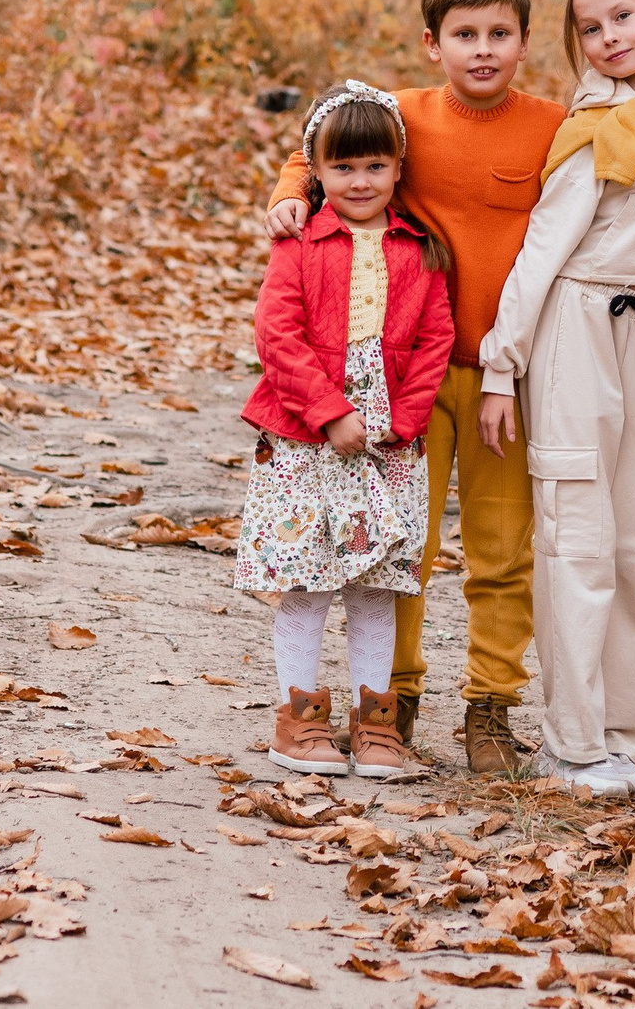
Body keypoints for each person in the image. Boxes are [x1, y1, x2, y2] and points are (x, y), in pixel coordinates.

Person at [264, 0, 565, 775]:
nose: (483, 49)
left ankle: (491, 704)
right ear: (434, 44)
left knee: (503, 550)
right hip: (405, 382)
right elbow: (322, 147)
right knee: (402, 547)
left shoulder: (550, 125)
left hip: (505, 374)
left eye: (499, 33)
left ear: (525, 42)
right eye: (465, 34)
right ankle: (391, 702)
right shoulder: (405, 116)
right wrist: (291, 189)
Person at [477, 0, 635, 799]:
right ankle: (571, 740)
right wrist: (501, 366)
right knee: (576, 528)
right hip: (580, 324)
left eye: (623, 15)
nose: (610, 36)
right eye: (590, 27)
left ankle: (622, 730)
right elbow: (544, 249)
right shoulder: (598, 126)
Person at [236, 84, 455, 778]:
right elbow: (277, 332)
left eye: (375, 166)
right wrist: (328, 411)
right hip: (306, 435)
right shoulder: (300, 242)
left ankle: (376, 724)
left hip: (389, 441)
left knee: (375, 585)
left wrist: (405, 419)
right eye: (343, 167)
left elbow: (435, 339)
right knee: (306, 582)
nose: (360, 181)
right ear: (317, 171)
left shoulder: (419, 248)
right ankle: (298, 719)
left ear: (398, 168)